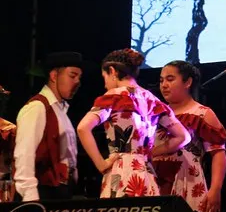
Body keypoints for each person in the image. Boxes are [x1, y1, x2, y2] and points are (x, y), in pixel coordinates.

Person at [77, 48, 191, 198]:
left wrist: (101, 164)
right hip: (146, 172)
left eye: (104, 77)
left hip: (122, 170)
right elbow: (183, 137)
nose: (105, 84)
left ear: (113, 71)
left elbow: (82, 128)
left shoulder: (114, 96)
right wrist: (150, 153)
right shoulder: (152, 99)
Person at [153, 60, 226, 212]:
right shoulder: (155, 114)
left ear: (187, 82)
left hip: (188, 182)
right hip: (156, 181)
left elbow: (218, 153)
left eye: (170, 79)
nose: (164, 85)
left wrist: (215, 189)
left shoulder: (201, 113)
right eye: (162, 80)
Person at [13, 51, 85, 201]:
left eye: (79, 77)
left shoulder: (61, 110)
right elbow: (24, 155)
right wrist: (31, 198)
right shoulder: (38, 107)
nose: (77, 81)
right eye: (72, 76)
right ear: (54, 76)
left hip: (62, 190)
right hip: (44, 192)